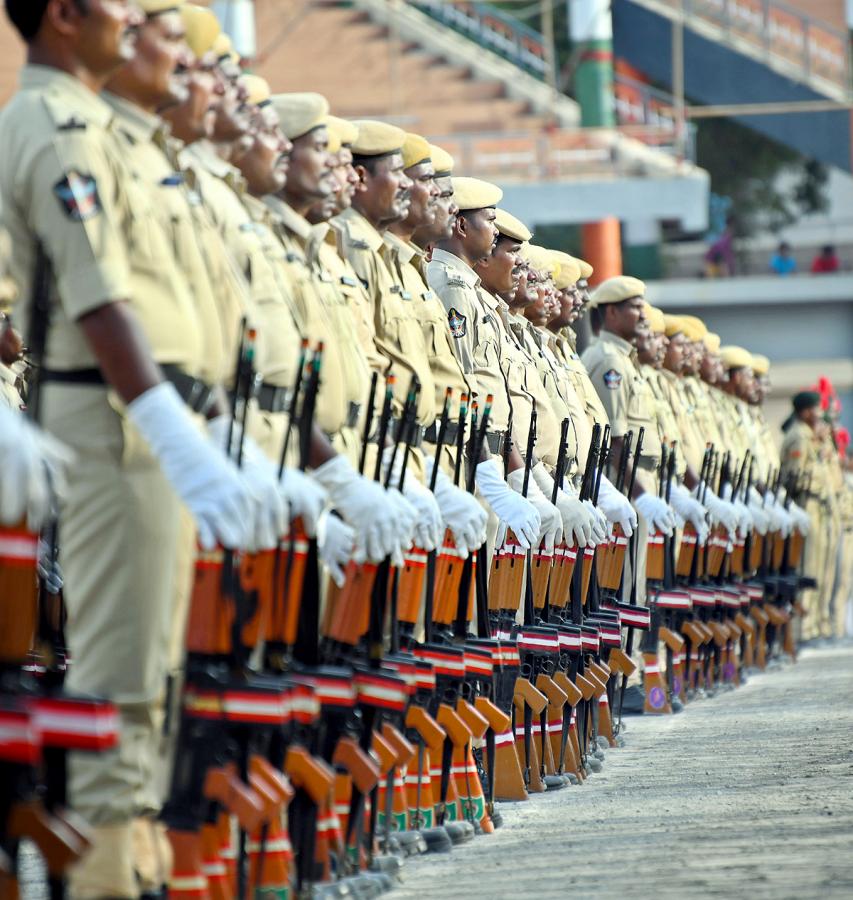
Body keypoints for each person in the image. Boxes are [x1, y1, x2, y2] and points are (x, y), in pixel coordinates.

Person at [0, 1, 265, 895]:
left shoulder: (116, 130)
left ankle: (139, 855)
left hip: (154, 419)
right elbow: (99, 298)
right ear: (66, 16)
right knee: (118, 669)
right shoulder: (52, 122)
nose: (138, 22)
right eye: (122, 6)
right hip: (113, 422)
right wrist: (173, 432)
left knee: (158, 664)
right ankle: (106, 869)